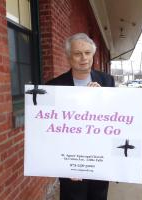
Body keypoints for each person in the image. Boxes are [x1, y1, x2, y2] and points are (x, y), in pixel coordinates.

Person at [46, 33, 115, 200]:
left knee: (98, 196)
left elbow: (116, 120)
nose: (83, 58)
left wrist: (102, 98)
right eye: (77, 53)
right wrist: (65, 165)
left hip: (99, 159)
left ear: (92, 55)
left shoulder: (107, 81)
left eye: (87, 53)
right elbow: (48, 130)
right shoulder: (54, 86)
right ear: (69, 57)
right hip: (70, 163)